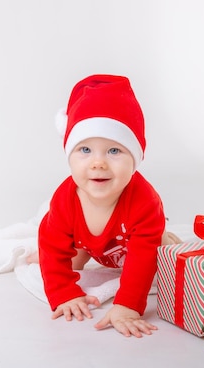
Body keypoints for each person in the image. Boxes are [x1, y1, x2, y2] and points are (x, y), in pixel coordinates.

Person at [37, 74, 181, 338]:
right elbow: (51, 243)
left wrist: (127, 306)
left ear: (135, 159)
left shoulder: (144, 200)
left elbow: (141, 260)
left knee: (163, 255)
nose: (98, 163)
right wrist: (64, 293)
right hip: (90, 243)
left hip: (135, 243)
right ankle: (84, 251)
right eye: (85, 150)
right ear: (69, 155)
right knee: (62, 253)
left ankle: (168, 237)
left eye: (114, 151)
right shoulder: (65, 199)